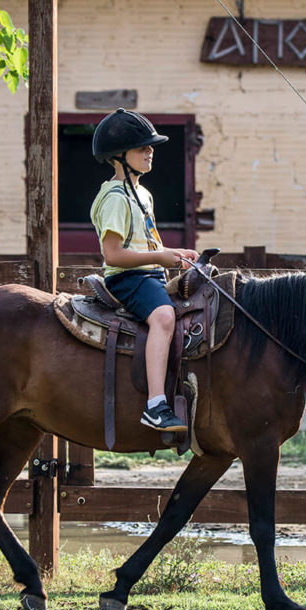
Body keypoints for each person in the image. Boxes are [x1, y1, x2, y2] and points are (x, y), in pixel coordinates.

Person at [90, 108, 199, 432]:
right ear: (118, 156)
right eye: (142, 147)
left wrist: (176, 255)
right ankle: (155, 405)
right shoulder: (114, 197)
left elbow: (148, 244)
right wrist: (161, 258)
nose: (150, 151)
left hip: (148, 275)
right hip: (127, 279)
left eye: (151, 146)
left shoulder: (142, 194)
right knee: (164, 317)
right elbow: (113, 255)